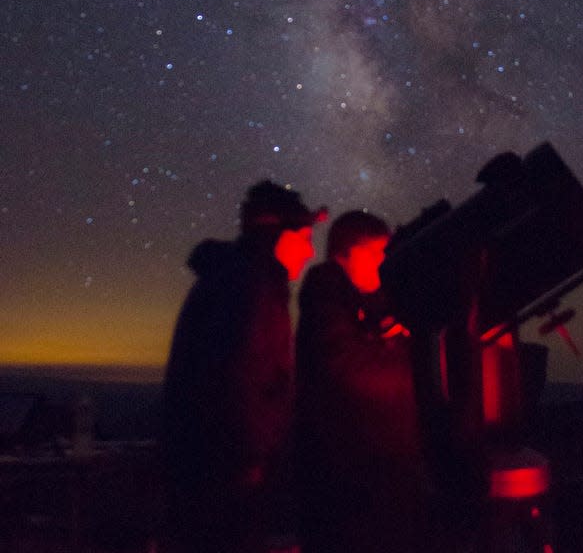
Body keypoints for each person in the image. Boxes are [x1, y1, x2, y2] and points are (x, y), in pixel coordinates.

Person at [161, 180, 324, 553]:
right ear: (279, 236)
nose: (311, 251)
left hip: (207, 471)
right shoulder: (252, 285)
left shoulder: (233, 277)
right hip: (225, 478)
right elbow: (240, 378)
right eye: (304, 237)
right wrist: (255, 460)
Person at [295, 210, 434, 553]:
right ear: (346, 253)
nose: (382, 264)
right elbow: (346, 369)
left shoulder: (365, 304)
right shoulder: (324, 290)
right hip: (348, 485)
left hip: (378, 477)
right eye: (374, 254)